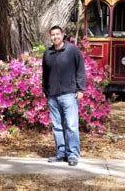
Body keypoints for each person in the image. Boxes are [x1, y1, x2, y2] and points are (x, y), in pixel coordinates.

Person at [42, 25, 86, 167]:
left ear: (62, 35)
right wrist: (46, 91)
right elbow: (45, 74)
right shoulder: (47, 53)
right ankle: (61, 153)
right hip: (53, 96)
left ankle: (73, 154)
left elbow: (80, 69)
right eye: (53, 35)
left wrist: (80, 89)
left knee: (71, 126)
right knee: (57, 126)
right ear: (51, 37)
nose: (55, 37)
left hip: (69, 95)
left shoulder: (72, 50)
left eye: (57, 34)